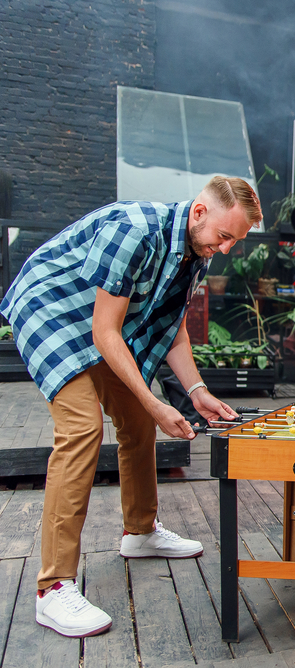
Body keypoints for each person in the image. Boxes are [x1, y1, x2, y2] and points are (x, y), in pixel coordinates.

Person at [0, 177, 261, 637]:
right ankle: (52, 588)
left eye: (234, 242)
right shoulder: (135, 230)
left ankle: (140, 533)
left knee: (138, 421)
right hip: (53, 309)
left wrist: (196, 390)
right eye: (225, 237)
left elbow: (172, 326)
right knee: (82, 430)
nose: (225, 249)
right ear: (200, 213)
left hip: (99, 323)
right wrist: (156, 401)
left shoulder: (193, 252)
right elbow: (106, 331)